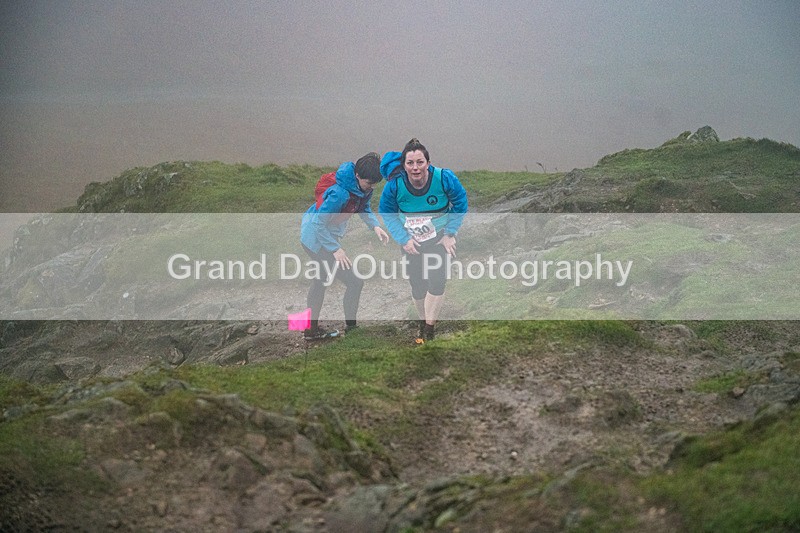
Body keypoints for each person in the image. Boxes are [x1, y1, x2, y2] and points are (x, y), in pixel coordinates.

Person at [379, 138, 468, 343]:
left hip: (439, 240)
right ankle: (422, 322)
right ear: (404, 165)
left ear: (428, 163)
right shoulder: (395, 186)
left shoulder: (444, 178)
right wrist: (403, 240)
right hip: (412, 242)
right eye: (410, 163)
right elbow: (388, 213)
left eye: (420, 162)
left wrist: (450, 234)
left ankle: (429, 330)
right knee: (417, 286)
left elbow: (460, 203)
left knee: (437, 281)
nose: (415, 167)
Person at [300, 152, 389, 340]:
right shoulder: (339, 193)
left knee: (321, 282)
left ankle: (311, 330)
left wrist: (375, 227)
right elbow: (318, 223)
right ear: (357, 176)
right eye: (368, 183)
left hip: (324, 238)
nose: (371, 188)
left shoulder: (363, 188)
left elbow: (364, 207)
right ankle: (349, 329)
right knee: (354, 282)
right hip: (314, 239)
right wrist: (335, 249)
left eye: (374, 184)